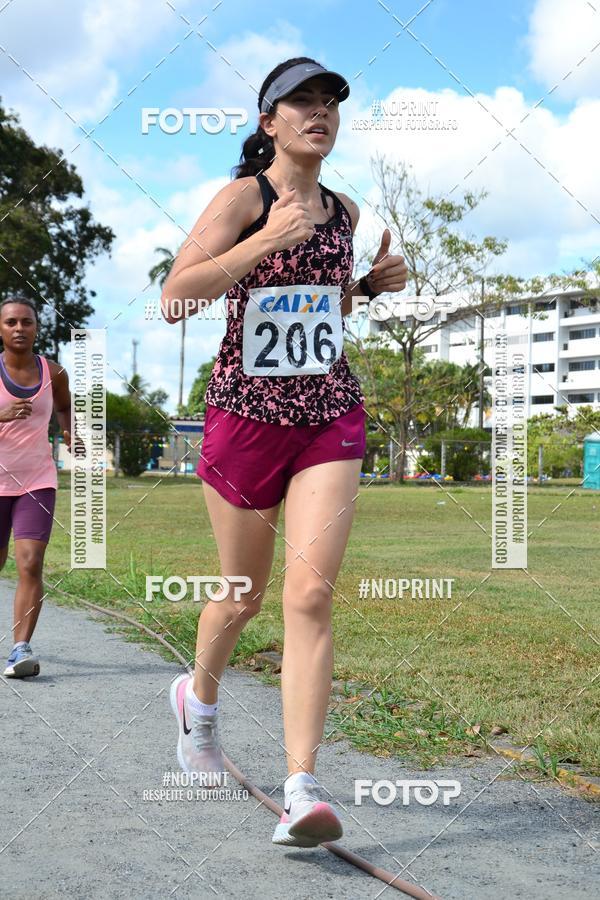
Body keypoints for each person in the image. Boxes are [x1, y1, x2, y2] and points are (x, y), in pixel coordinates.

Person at [162, 57, 408, 847]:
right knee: (242, 596)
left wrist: (368, 288)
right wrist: (263, 238)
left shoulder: (345, 210)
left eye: (331, 100)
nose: (319, 112)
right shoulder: (245, 197)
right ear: (268, 121)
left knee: (310, 596)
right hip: (245, 418)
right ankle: (198, 711)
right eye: (300, 101)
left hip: (327, 414)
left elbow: (318, 306)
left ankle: (303, 786)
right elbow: (176, 298)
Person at [0, 296, 72, 678]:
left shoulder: (54, 373)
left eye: (26, 322)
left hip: (36, 480)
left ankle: (20, 649)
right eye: (11, 322)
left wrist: (68, 429)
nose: (19, 328)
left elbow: (63, 405)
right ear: (1, 328)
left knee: (30, 562)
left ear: (37, 327)